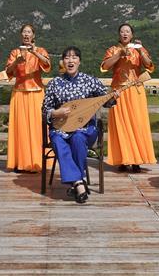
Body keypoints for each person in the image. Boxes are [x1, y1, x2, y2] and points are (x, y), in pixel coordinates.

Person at [43, 46, 118, 204]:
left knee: (78, 137)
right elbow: (45, 111)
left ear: (79, 61)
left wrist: (113, 97)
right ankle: (79, 182)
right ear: (63, 61)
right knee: (57, 140)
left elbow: (106, 101)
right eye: (67, 58)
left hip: (85, 128)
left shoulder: (90, 81)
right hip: (61, 129)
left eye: (74, 57)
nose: (70, 61)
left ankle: (75, 181)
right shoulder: (54, 83)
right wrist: (56, 113)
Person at [100, 23, 156, 172]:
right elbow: (105, 66)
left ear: (132, 35)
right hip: (119, 90)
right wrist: (119, 55)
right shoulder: (113, 49)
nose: (125, 34)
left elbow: (149, 65)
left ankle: (137, 160)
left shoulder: (138, 49)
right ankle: (123, 159)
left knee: (138, 123)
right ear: (119, 35)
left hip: (135, 90)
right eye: (122, 31)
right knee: (120, 125)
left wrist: (141, 50)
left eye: (128, 31)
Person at [4, 23, 51, 173]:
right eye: (24, 32)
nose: (26, 35)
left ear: (33, 35)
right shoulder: (15, 52)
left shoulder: (41, 50)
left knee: (38, 126)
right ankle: (22, 162)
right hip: (19, 92)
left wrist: (35, 52)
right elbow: (7, 72)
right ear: (21, 35)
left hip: (37, 92)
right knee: (21, 127)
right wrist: (16, 63)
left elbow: (48, 64)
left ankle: (39, 161)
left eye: (29, 32)